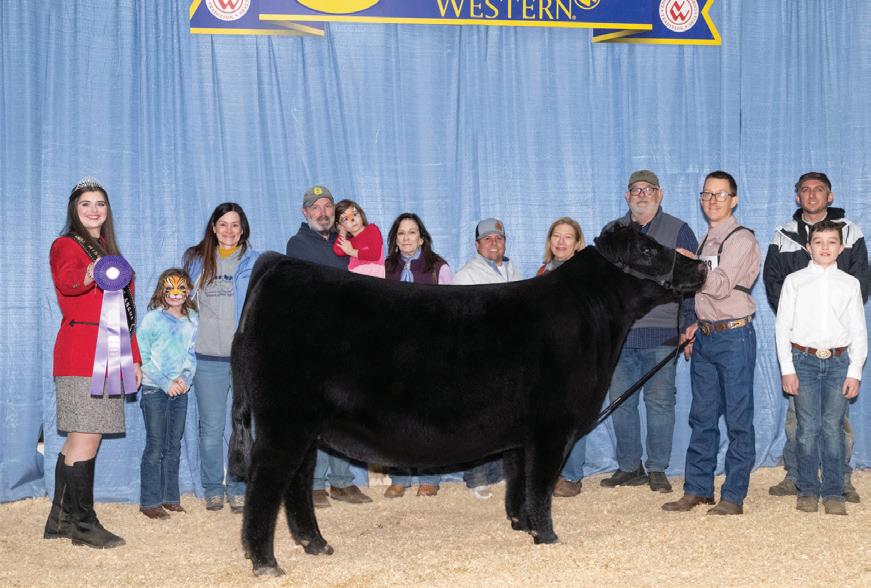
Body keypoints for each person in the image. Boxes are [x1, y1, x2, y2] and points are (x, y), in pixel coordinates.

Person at [45, 177, 142, 548]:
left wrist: (134, 359)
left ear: (107, 210)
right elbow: (67, 282)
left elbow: (127, 318)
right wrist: (89, 273)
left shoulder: (113, 256)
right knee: (87, 439)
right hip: (81, 355)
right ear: (74, 209)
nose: (93, 209)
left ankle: (60, 520)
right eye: (85, 203)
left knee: (78, 439)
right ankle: (84, 525)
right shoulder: (66, 245)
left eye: (100, 203)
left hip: (111, 356)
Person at [763, 172, 869, 503]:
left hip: (836, 350)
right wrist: (799, 318)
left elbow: (860, 280)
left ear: (830, 195)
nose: (811, 195)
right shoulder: (784, 234)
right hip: (802, 348)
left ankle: (841, 480)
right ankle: (798, 477)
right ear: (797, 196)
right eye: (805, 190)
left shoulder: (850, 231)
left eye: (819, 189)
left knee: (836, 423)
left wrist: (834, 315)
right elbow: (773, 280)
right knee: (800, 421)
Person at [663, 170, 760, 516]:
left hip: (734, 336)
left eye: (720, 194)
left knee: (737, 418)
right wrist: (694, 324)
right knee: (701, 416)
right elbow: (698, 293)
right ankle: (697, 488)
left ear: (734, 200)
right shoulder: (706, 240)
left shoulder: (742, 238)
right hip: (705, 335)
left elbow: (718, 285)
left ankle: (733, 495)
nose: (712, 200)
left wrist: (689, 264)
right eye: (707, 194)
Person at [599, 171, 698, 494]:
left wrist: (688, 323)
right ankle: (630, 467)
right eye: (636, 190)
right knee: (620, 402)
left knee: (660, 403)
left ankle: (657, 468)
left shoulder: (679, 230)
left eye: (649, 189)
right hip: (620, 335)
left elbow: (690, 279)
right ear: (627, 196)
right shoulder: (612, 232)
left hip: (663, 330)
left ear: (660, 194)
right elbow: (601, 285)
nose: (642, 194)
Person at [286, 185, 372, 508]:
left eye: (327, 206)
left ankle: (342, 481)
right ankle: (315, 483)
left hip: (348, 339)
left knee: (346, 411)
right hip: (316, 339)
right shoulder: (298, 244)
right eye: (316, 207)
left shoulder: (347, 240)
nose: (322, 213)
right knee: (319, 413)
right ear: (305, 212)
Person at [183, 202, 259, 513]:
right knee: (211, 429)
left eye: (235, 225)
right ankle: (213, 487)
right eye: (223, 224)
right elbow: (182, 306)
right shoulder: (196, 261)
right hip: (207, 359)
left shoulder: (255, 262)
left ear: (243, 229)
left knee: (242, 427)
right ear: (214, 228)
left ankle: (239, 487)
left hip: (242, 359)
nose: (229, 230)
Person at [381, 213, 453, 498]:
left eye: (412, 232)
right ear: (395, 240)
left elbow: (452, 311)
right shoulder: (386, 268)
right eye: (401, 233)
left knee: (429, 416)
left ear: (422, 238)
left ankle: (429, 476)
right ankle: (399, 476)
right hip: (395, 352)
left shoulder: (439, 268)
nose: (406, 238)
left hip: (430, 351)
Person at [454, 217, 522, 499]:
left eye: (499, 238)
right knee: (477, 419)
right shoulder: (466, 276)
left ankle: (498, 473)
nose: (494, 243)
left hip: (509, 358)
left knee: (503, 418)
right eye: (488, 239)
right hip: (479, 357)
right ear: (477, 245)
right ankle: (476, 478)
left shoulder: (513, 271)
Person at [137, 269, 198, 519]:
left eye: (180, 288)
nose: (175, 293)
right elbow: (142, 357)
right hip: (154, 389)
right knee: (156, 445)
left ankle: (170, 498)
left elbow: (192, 354)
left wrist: (184, 379)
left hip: (180, 390)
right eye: (169, 288)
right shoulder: (152, 319)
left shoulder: (193, 319)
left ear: (188, 291)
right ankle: (149, 502)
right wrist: (165, 383)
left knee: (174, 445)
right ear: (161, 291)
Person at [535, 218, 588, 498]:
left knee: (573, 417)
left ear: (577, 243)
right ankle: (550, 473)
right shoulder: (542, 273)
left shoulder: (584, 275)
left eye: (568, 237)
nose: (561, 242)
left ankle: (572, 475)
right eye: (556, 235)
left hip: (576, 355)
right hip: (548, 357)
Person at [333, 199, 385, 277]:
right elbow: (338, 250)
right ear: (340, 225)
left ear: (361, 214)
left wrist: (351, 251)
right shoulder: (350, 242)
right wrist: (342, 232)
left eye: (354, 214)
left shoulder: (372, 230)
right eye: (345, 219)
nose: (352, 220)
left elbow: (375, 254)